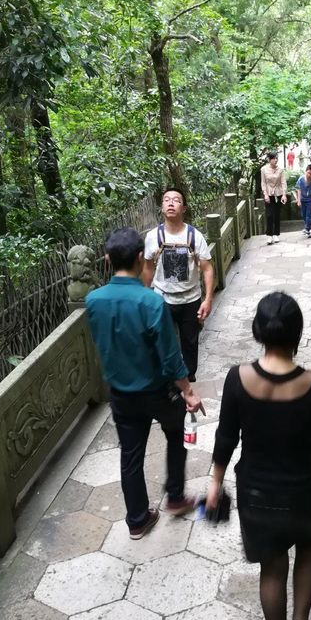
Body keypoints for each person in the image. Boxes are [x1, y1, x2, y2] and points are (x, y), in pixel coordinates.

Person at [206, 292, 311, 620]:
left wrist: (215, 483)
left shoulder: (237, 379)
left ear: (258, 332)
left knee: (272, 567)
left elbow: (225, 437)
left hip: (256, 493)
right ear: (297, 333)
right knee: (309, 547)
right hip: (301, 490)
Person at [86, 227, 204, 538]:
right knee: (175, 434)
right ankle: (176, 497)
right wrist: (188, 392)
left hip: (121, 394)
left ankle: (137, 519)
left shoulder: (94, 300)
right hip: (158, 391)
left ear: (108, 259)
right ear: (141, 258)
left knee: (131, 454)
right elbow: (170, 356)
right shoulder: (151, 303)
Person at [142, 188, 214, 382]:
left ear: (184, 208)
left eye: (176, 200)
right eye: (166, 200)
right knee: (163, 340)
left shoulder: (194, 236)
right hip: (161, 297)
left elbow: (207, 268)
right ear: (162, 207)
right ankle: (167, 378)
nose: (171, 203)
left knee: (190, 341)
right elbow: (147, 269)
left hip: (190, 298)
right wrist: (143, 297)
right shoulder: (152, 237)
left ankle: (189, 376)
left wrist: (207, 299)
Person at [261, 151, 288, 245]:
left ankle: (276, 234)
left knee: (276, 214)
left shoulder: (280, 170)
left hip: (278, 193)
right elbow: (263, 182)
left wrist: (284, 194)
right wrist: (265, 194)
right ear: (269, 159)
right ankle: (269, 235)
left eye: (276, 158)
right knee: (269, 215)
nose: (275, 160)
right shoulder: (263, 169)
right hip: (268, 193)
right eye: (273, 158)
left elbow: (283, 182)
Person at [295, 164, 311, 238]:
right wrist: (298, 200)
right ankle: (307, 225)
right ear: (305, 171)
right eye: (308, 173)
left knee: (309, 215)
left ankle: (307, 229)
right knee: (304, 214)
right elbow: (298, 190)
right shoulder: (301, 179)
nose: (309, 175)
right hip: (302, 199)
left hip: (309, 200)